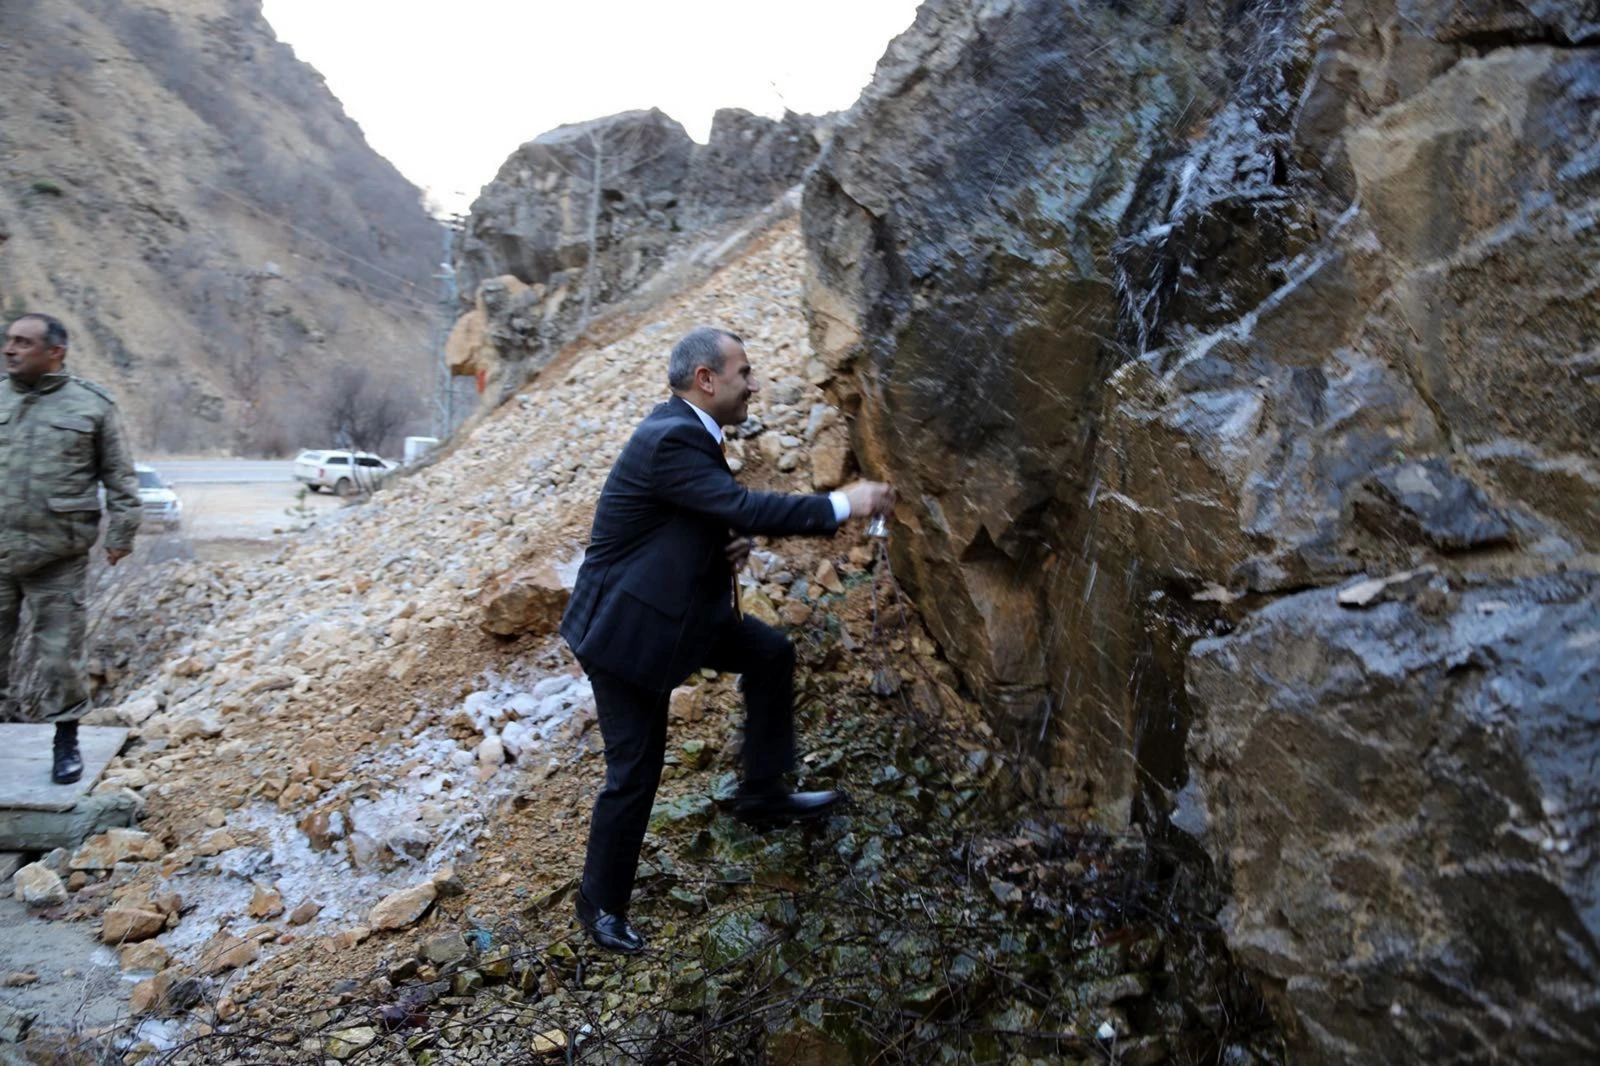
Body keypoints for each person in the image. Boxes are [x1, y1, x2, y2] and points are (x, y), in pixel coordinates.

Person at [560, 326, 894, 953]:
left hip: (677, 616)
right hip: (628, 634)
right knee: (635, 771)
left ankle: (762, 794)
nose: (754, 385)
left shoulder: (688, 431)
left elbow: (687, 517)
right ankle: (599, 905)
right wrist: (842, 505)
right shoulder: (672, 437)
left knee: (770, 653)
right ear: (706, 379)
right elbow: (740, 505)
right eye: (745, 373)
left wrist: (723, 546)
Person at [0, 313, 141, 784]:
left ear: (55, 352)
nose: (10, 349)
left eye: (23, 342)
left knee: (60, 658)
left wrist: (121, 534)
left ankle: (65, 742)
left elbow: (120, 478)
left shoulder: (92, 405)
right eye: (9, 340)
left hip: (56, 556)